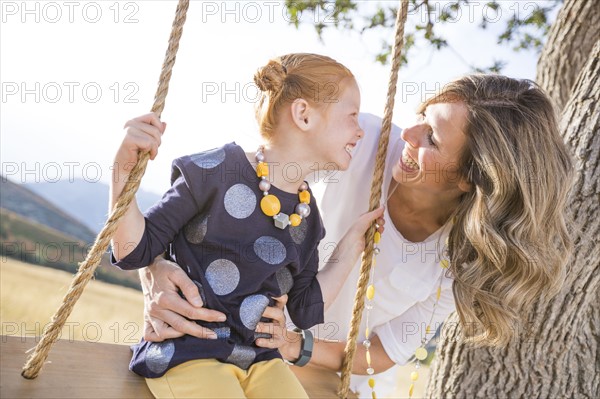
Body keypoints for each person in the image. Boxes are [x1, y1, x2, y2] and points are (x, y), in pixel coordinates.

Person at [139, 74, 574, 397]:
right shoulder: (359, 142)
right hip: (223, 342)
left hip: (324, 379)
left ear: (470, 179)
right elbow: (223, 192)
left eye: (433, 138)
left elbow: (380, 352)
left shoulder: (465, 258)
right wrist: (155, 267)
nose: (410, 133)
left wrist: (297, 344)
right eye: (423, 116)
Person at [109, 53, 386, 399]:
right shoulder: (215, 171)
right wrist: (122, 171)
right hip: (191, 351)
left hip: (261, 361)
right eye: (352, 116)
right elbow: (134, 249)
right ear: (303, 115)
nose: (360, 131)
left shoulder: (307, 214)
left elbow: (301, 304)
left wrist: (349, 251)